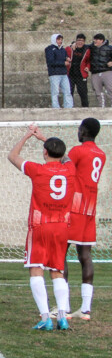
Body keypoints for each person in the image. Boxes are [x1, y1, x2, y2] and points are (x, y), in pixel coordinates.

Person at [7, 125, 74, 331]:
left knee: (36, 269)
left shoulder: (38, 170)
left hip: (40, 225)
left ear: (45, 152)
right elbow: (68, 157)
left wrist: (28, 136)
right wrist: (45, 139)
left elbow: (12, 156)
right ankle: (62, 317)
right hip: (62, 226)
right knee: (57, 270)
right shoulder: (70, 169)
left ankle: (46, 317)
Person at [64, 118, 105, 320]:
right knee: (85, 255)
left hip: (75, 206)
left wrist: (46, 141)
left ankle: (64, 307)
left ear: (85, 131)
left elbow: (65, 168)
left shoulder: (78, 151)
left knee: (60, 252)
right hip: (90, 207)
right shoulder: (101, 154)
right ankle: (86, 309)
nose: (78, 132)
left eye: (80, 129)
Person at [45, 34, 73, 108]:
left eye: (61, 39)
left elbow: (64, 57)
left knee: (67, 91)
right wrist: (63, 63)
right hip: (54, 74)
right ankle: (55, 107)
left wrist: (67, 58)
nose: (60, 41)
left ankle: (69, 106)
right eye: (58, 39)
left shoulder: (63, 50)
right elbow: (51, 62)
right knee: (55, 92)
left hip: (63, 73)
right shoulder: (49, 49)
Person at [87, 33, 112, 107]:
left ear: (102, 40)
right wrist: (73, 44)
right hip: (95, 72)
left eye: (97, 39)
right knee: (98, 91)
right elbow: (82, 47)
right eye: (94, 39)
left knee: (110, 89)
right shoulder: (91, 48)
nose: (95, 41)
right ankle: (102, 106)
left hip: (107, 71)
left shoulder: (109, 48)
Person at [67, 34, 91, 107]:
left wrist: (88, 67)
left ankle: (85, 108)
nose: (80, 42)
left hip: (81, 75)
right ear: (76, 41)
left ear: (84, 42)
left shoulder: (87, 49)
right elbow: (64, 55)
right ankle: (69, 108)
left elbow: (89, 61)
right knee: (69, 93)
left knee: (83, 93)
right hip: (70, 75)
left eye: (82, 41)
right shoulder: (69, 48)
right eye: (78, 40)